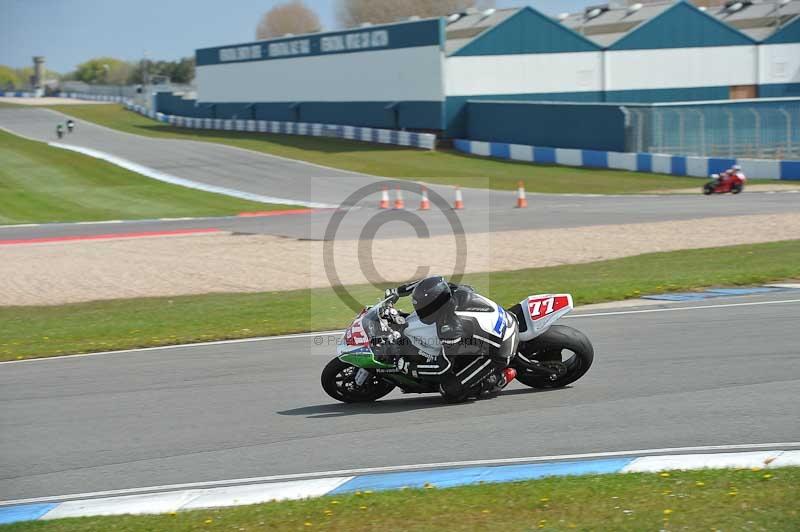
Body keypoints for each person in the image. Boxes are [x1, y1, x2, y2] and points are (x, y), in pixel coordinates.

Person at [386, 276, 518, 401]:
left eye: (422, 307)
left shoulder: (451, 327)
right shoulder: (446, 291)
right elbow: (423, 285)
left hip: (499, 350)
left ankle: (498, 378)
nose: (419, 310)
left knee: (450, 390)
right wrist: (397, 292)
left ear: (434, 306)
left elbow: (442, 368)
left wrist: (410, 368)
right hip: (495, 325)